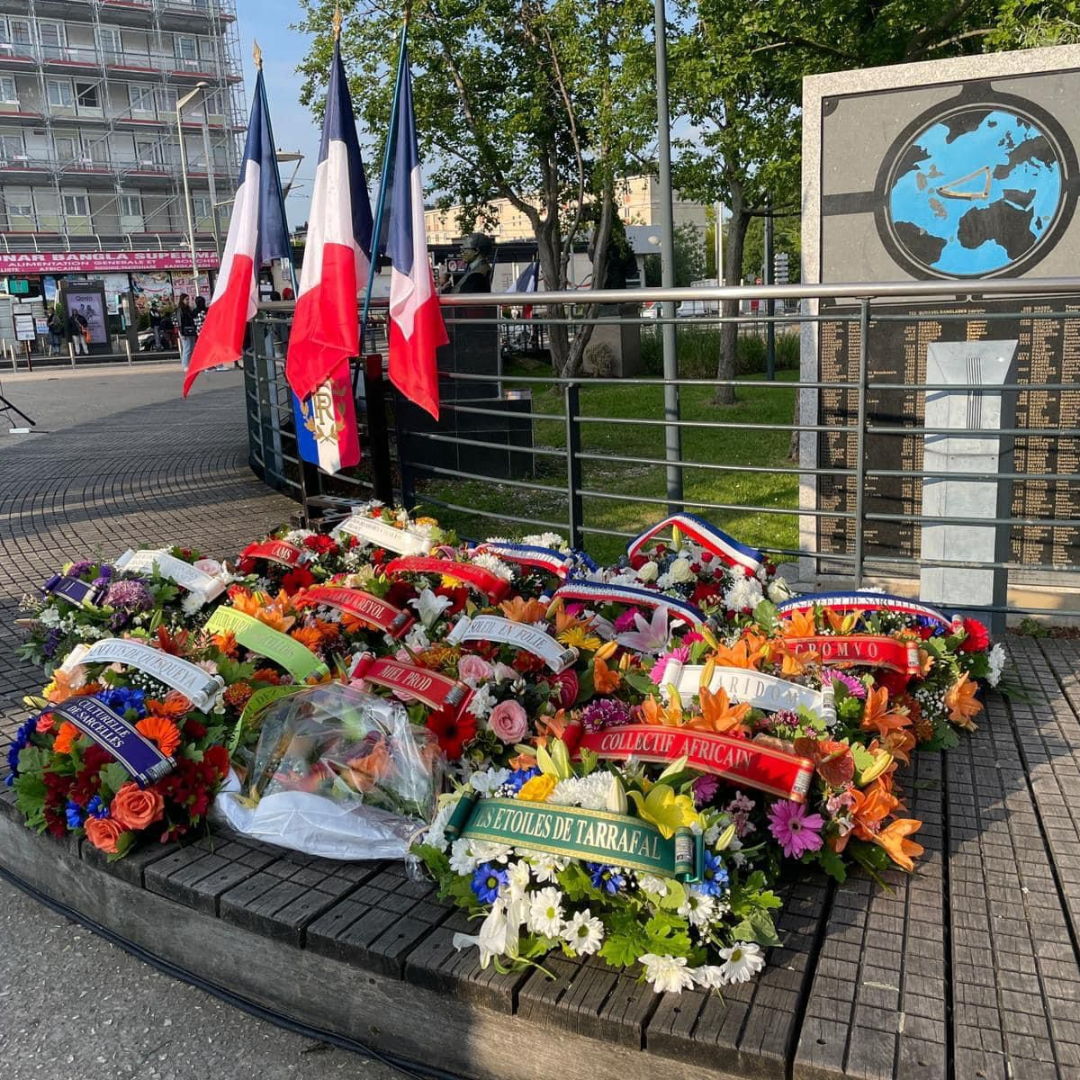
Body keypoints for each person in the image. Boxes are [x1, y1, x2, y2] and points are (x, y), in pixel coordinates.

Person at [177, 293, 196, 372]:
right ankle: (185, 365)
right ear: (182, 300)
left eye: (188, 299)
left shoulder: (188, 308)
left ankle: (190, 364)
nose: (188, 301)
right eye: (186, 299)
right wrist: (182, 333)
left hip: (191, 330)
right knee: (187, 348)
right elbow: (180, 322)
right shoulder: (180, 310)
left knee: (191, 348)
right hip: (184, 331)